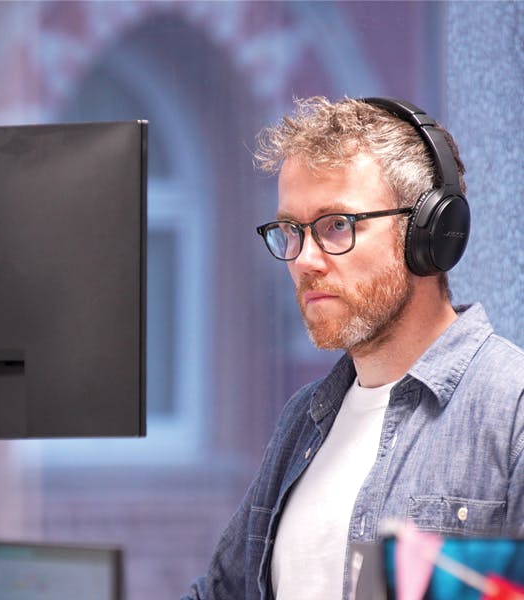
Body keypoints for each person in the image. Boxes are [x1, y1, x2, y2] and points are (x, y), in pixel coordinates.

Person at [183, 96, 524, 600]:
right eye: (290, 231)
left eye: (336, 225)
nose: (304, 261)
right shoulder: (304, 421)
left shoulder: (511, 410)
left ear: (429, 234)